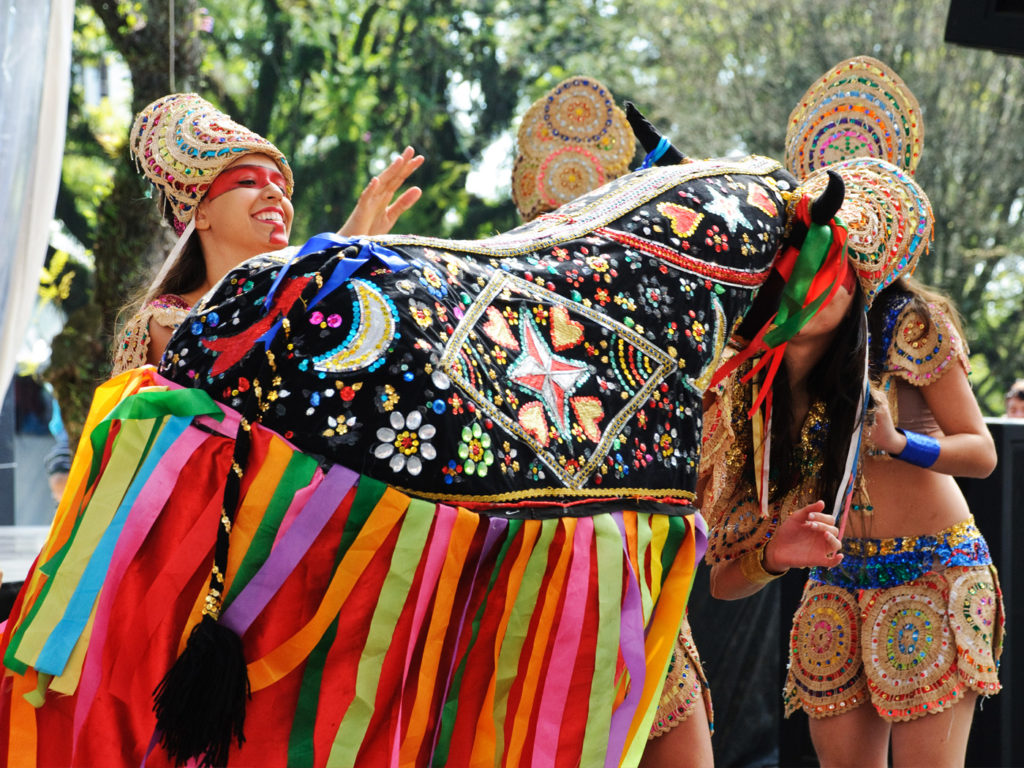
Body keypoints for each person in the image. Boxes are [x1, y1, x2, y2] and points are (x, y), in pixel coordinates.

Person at [112, 92, 424, 374]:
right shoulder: (165, 323)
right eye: (248, 181)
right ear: (201, 214)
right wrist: (341, 248)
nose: (276, 192)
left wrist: (349, 247)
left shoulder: (297, 303)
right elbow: (243, 372)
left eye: (282, 187)